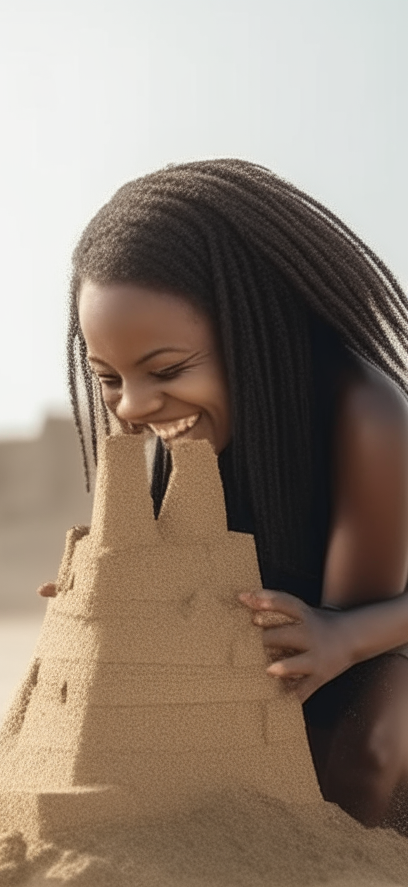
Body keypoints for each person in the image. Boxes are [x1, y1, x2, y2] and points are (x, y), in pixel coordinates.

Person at [63, 159, 408, 833]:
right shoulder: (190, 434)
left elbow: (348, 648)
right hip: (274, 656)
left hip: (371, 656)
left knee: (361, 750)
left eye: (165, 370)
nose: (134, 406)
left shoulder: (365, 415)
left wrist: (341, 634)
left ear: (255, 326)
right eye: (108, 378)